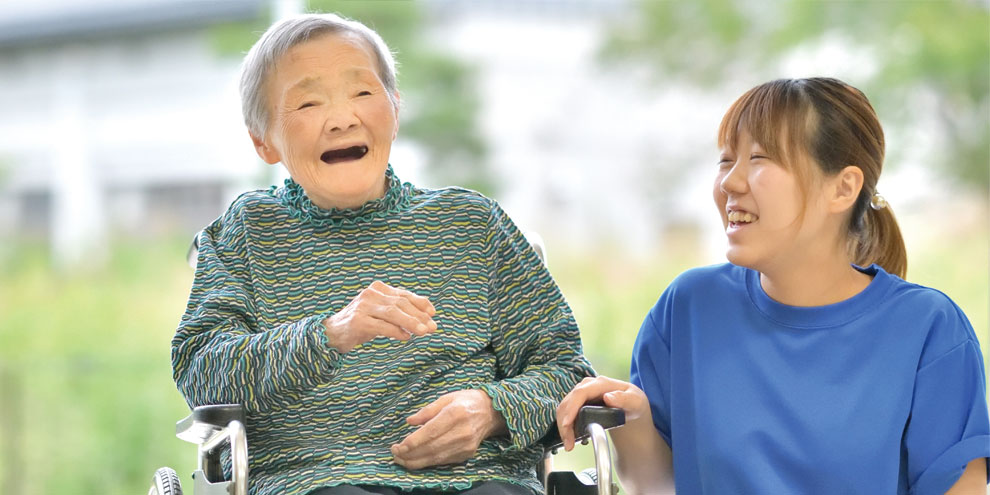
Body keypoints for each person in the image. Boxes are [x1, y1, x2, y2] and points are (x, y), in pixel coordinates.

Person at [171, 13, 593, 495]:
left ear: (395, 109)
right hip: (315, 481)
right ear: (262, 140)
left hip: (482, 478)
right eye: (309, 102)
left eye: (363, 94)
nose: (342, 118)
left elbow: (569, 372)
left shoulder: (471, 223)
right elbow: (201, 372)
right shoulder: (246, 232)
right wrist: (328, 335)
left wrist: (493, 409)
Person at [556, 77, 990, 494]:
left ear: (843, 188)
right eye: (726, 160)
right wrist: (633, 422)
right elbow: (664, 486)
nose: (730, 182)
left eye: (759, 159)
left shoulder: (929, 329)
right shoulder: (689, 308)